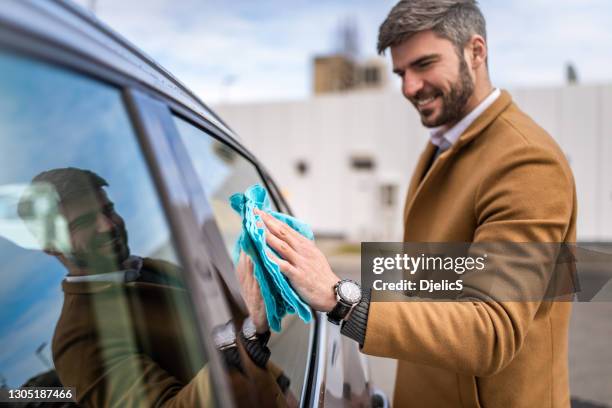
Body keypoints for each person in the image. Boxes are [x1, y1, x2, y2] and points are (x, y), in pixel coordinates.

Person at [253, 1, 577, 407]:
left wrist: (340, 298)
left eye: (424, 64)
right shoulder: (443, 147)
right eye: (401, 73)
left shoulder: (526, 161)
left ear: (476, 52)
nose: (409, 87)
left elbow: (492, 331)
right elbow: (435, 287)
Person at [17, 167, 291, 407]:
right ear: (50, 246)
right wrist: (247, 335)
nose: (108, 225)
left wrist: (282, 384)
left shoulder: (153, 268)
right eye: (84, 223)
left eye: (108, 209)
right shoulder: (78, 339)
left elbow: (231, 326)